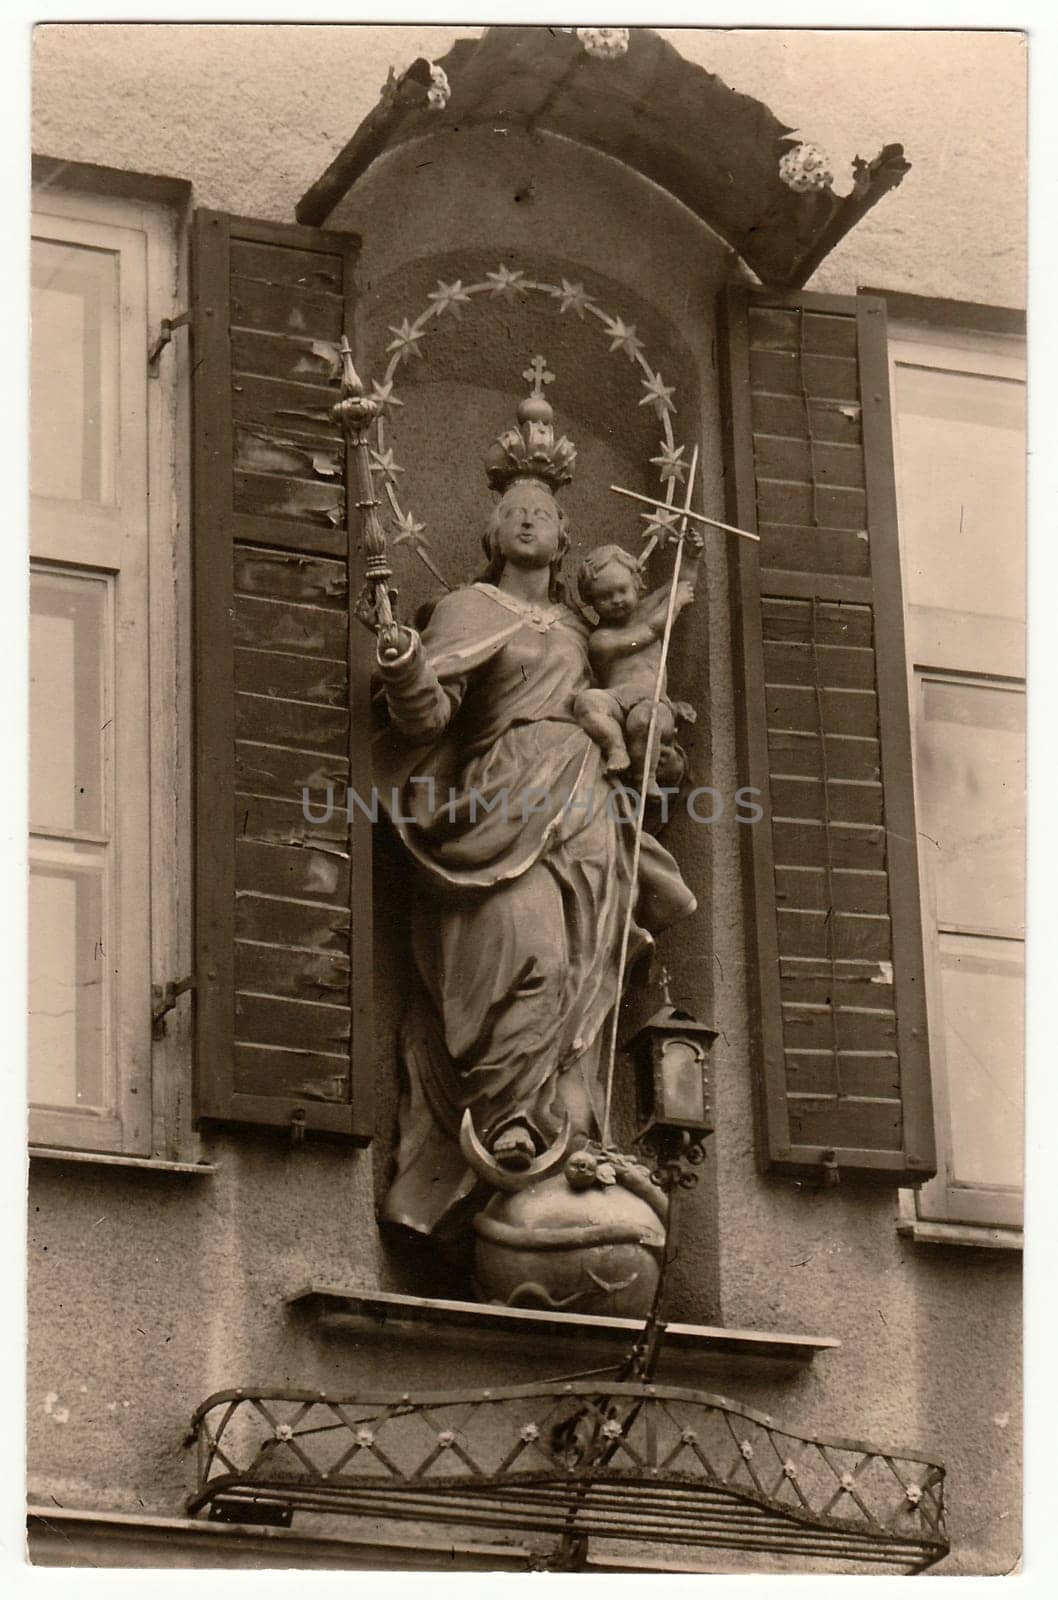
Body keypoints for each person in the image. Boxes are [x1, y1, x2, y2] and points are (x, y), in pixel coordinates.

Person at [373, 436, 697, 1239]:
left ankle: (569, 1133)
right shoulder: (465, 610)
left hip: (585, 803)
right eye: (513, 512)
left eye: (542, 514)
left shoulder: (584, 627)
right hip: (500, 798)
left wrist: (653, 735)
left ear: (564, 537)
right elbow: (430, 715)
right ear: (490, 533)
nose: (527, 523)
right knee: (533, 952)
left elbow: (631, 694)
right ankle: (509, 1124)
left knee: (586, 967)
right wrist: (406, 665)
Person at [573, 541, 700, 790]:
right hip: (618, 700)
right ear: (592, 602)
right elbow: (649, 632)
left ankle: (646, 778)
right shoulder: (601, 639)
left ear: (636, 584)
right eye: (605, 597)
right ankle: (616, 747)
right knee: (587, 703)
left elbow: (681, 584)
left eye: (622, 590)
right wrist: (674, 605)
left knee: (645, 720)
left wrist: (691, 559)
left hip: (651, 701)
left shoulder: (648, 608)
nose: (616, 600)